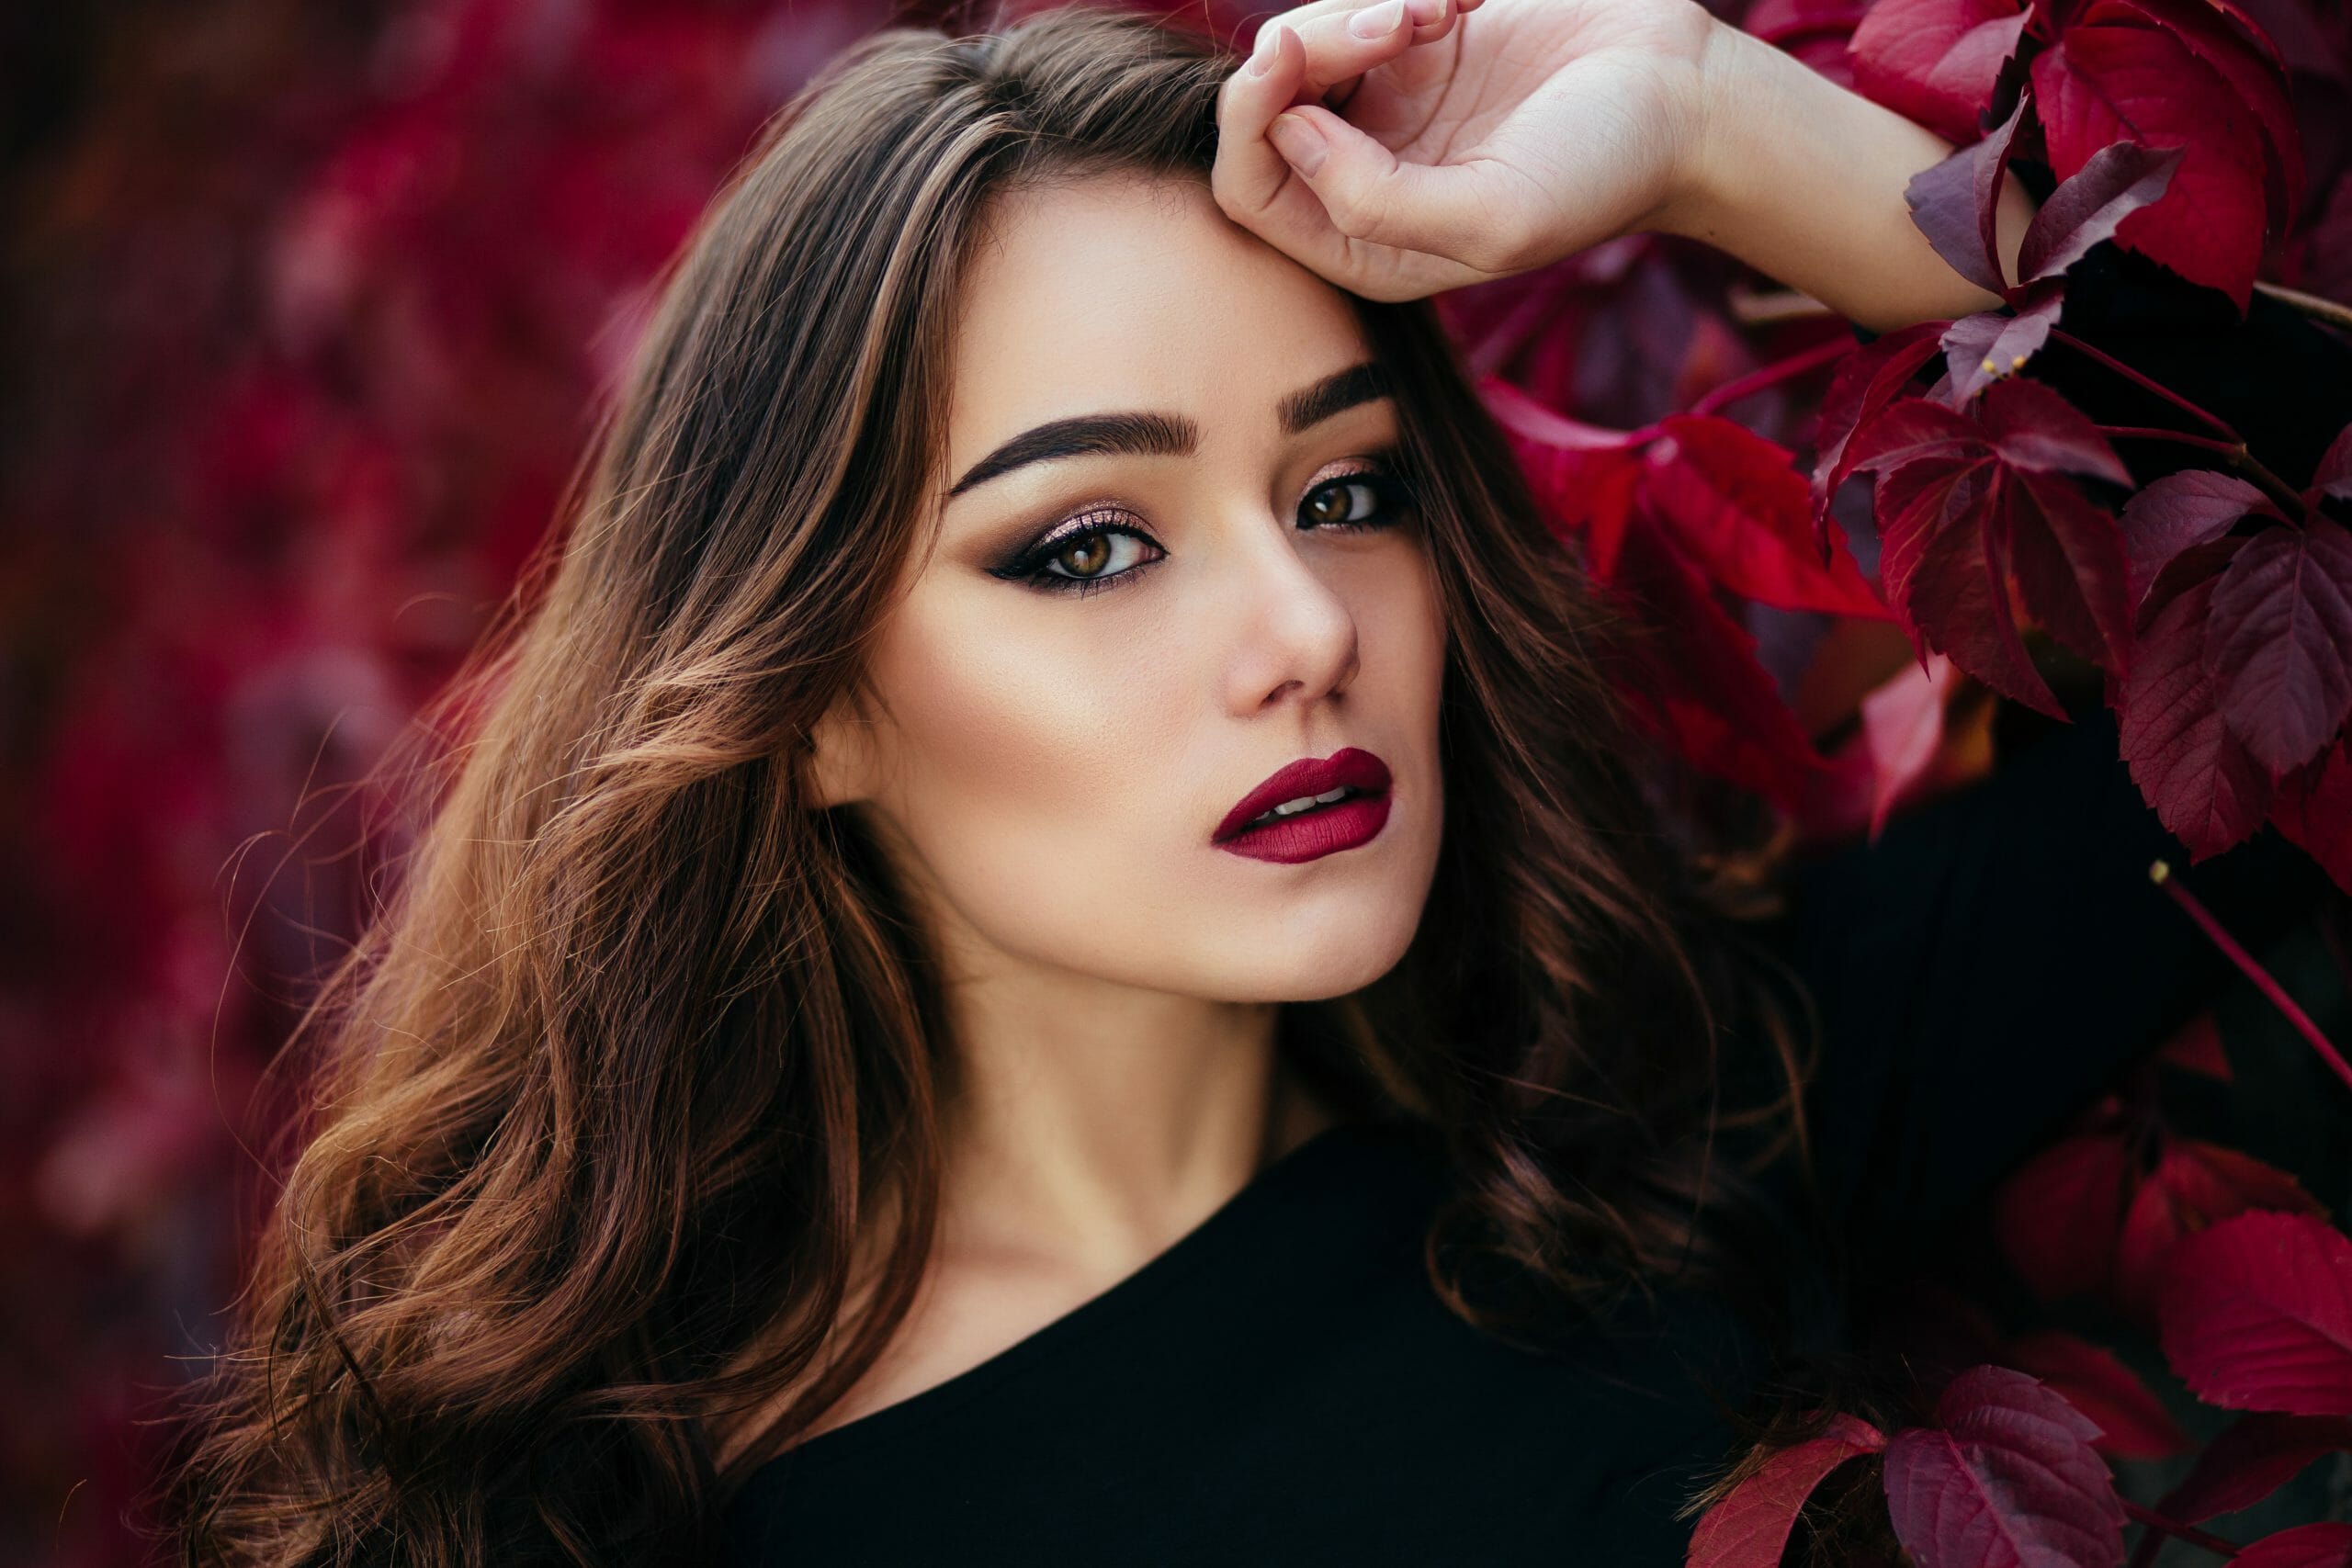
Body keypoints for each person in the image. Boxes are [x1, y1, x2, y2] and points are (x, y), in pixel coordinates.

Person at [159, 2, 2311, 1563]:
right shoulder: (579, 1513)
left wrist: (1699, 112)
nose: (1301, 627)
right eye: (1087, 544)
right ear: (802, 700)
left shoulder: (1673, 1131)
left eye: (1344, 489)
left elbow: (2298, 600)